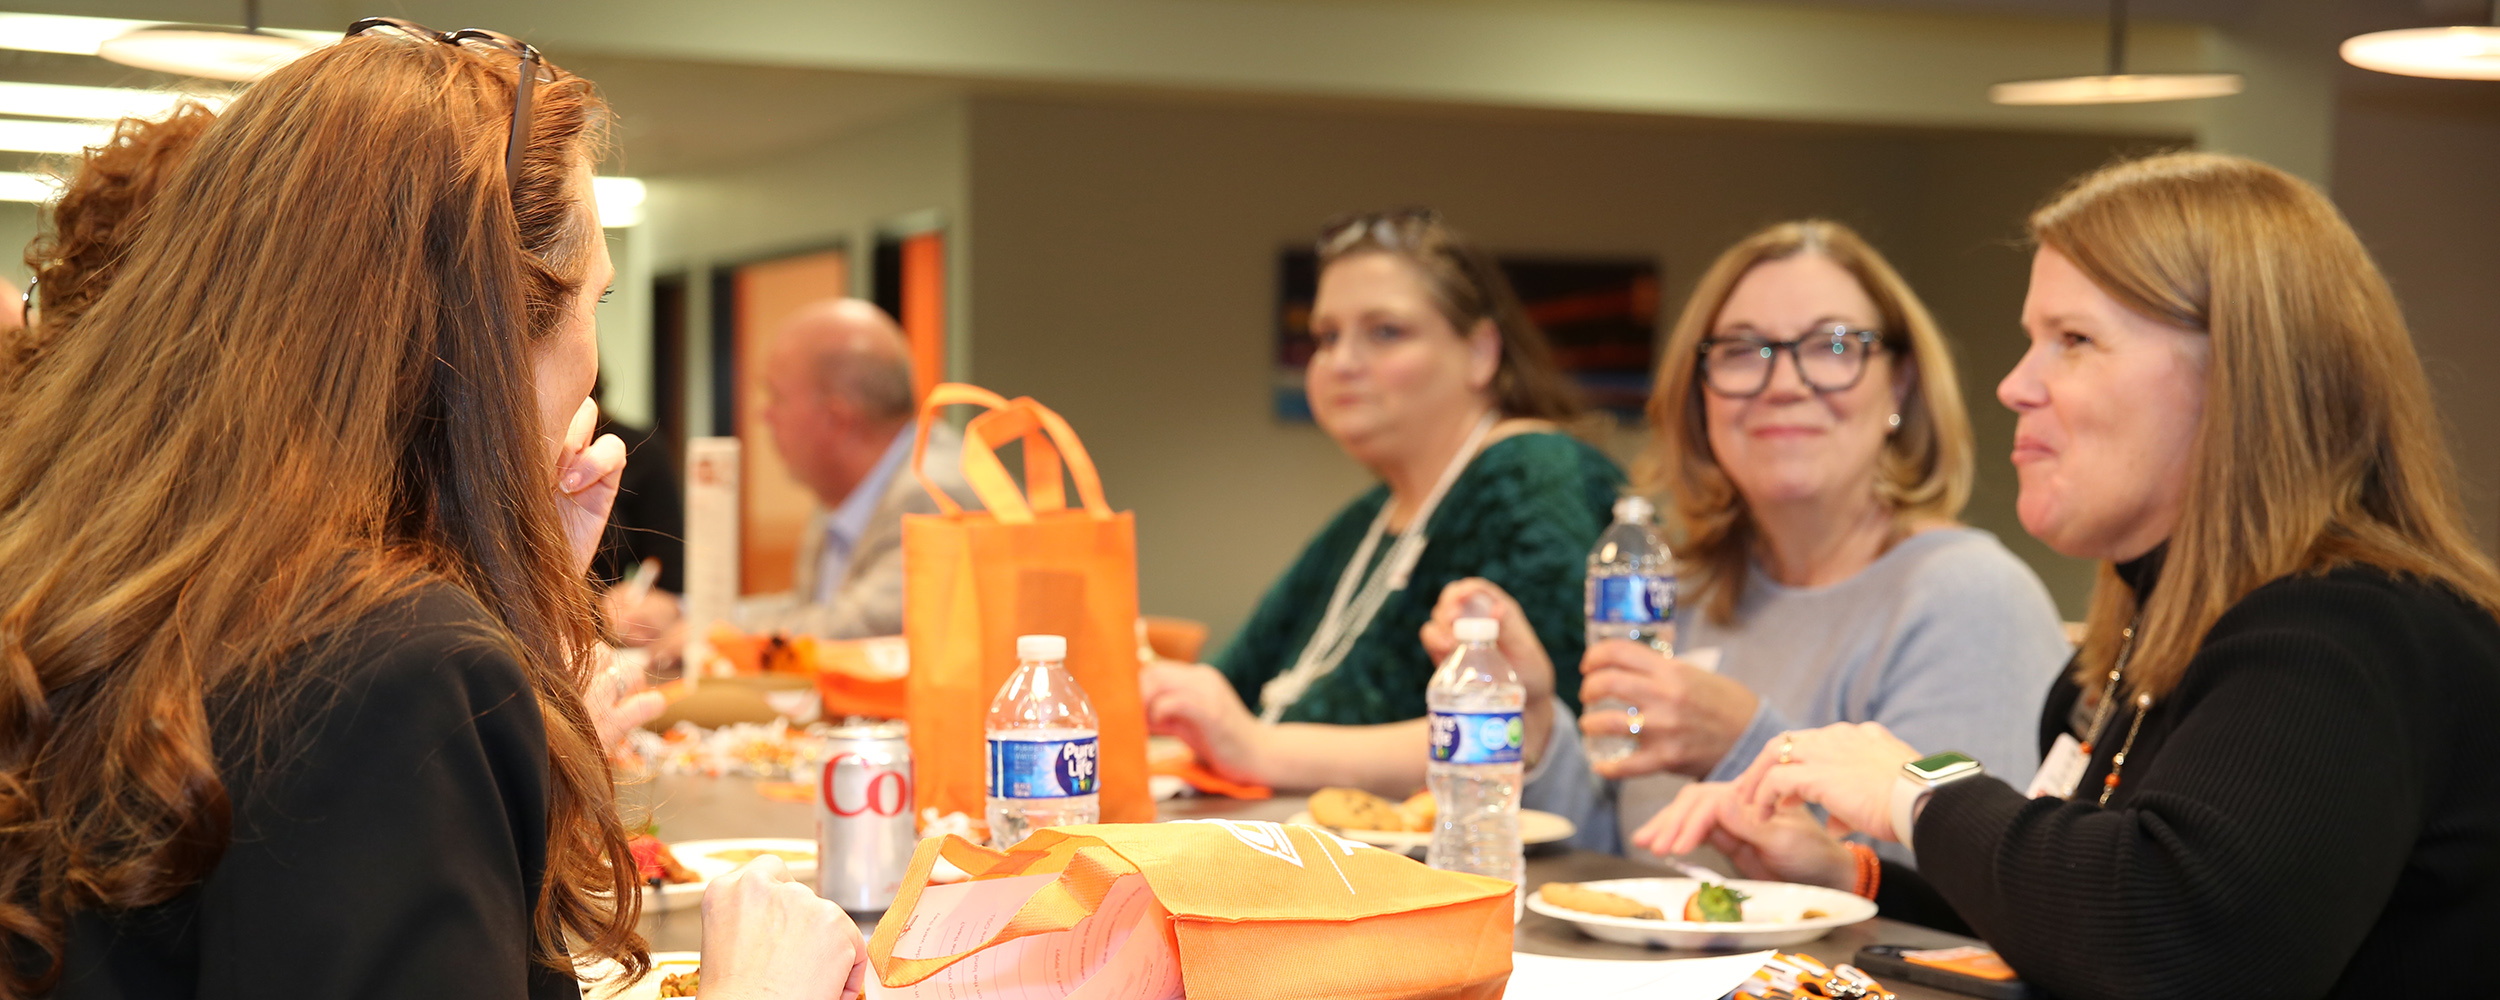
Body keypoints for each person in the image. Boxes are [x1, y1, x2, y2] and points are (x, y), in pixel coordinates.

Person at [0, 22, 862, 1000]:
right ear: (493, 338)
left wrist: (518, 628)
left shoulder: (117, 576)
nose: (590, 357)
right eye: (595, 301)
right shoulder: (390, 667)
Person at [1647, 152, 2500, 999]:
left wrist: (1917, 791)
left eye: (2075, 341)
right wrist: (1849, 878)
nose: (2015, 386)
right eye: (2033, 342)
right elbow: (2071, 937)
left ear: (2239, 372)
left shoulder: (2353, 634)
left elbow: (2177, 946)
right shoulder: (2144, 646)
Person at [1422, 220, 2069, 855]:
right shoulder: (1687, 592)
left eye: (1832, 346)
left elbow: (1962, 883)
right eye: (1741, 350)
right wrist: (1536, 728)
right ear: (1701, 396)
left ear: (1898, 384)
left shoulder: (1970, 596)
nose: (1783, 385)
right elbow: (1632, 851)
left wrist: (1744, 742)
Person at [1142, 208, 1623, 795]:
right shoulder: (1370, 518)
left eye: (1385, 332)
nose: (1342, 363)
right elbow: (1234, 686)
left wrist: (1259, 750)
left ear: (1481, 352)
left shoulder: (1535, 475)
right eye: (1326, 337)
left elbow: (1541, 728)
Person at [734, 297, 972, 640]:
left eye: (777, 397)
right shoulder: (843, 490)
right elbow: (810, 610)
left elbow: (861, 628)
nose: (765, 416)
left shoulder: (937, 491)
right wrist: (688, 613)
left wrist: (712, 633)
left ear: (837, 419)